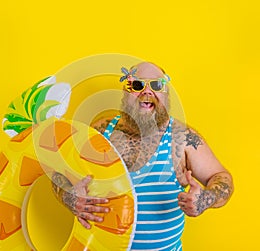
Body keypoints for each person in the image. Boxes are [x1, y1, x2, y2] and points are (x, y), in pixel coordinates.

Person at [51, 62, 234, 250]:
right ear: (126, 92)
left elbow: (221, 177)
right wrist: (69, 197)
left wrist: (206, 199)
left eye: (156, 85)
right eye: (137, 85)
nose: (147, 92)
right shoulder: (100, 131)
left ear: (166, 94)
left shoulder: (182, 138)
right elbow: (58, 173)